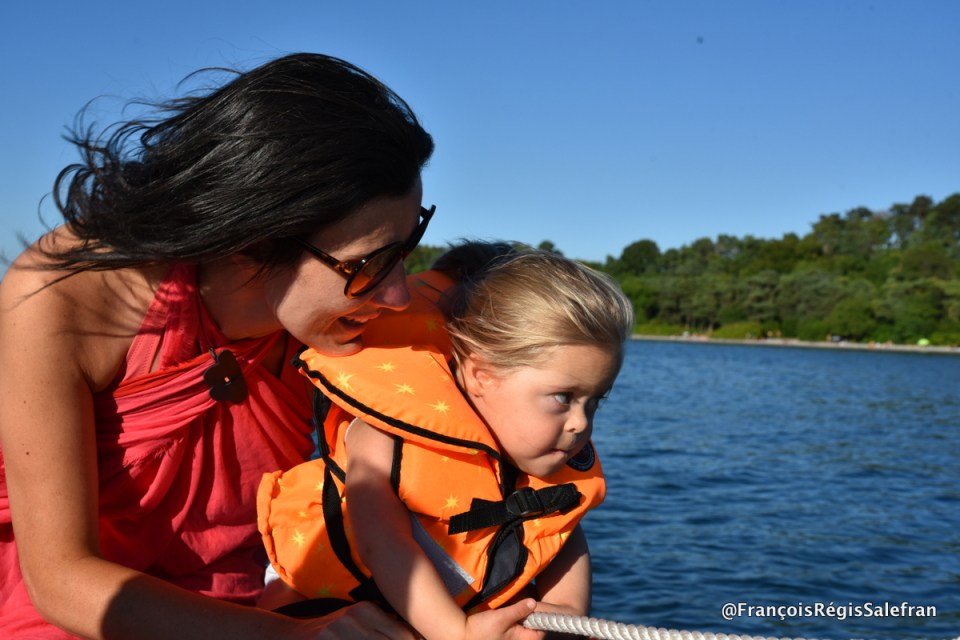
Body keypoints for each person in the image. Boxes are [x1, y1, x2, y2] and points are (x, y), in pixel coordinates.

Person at [0, 53, 542, 640]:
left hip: (263, 601)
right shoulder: (64, 297)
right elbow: (59, 580)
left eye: (407, 246)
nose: (396, 295)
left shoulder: (353, 311)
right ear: (250, 240)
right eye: (368, 265)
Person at [257, 243, 636, 640]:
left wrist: (567, 615)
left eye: (595, 401)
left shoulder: (544, 461)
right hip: (328, 609)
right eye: (564, 398)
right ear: (482, 375)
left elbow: (560, 528)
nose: (580, 424)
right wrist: (455, 634)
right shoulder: (383, 434)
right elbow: (383, 543)